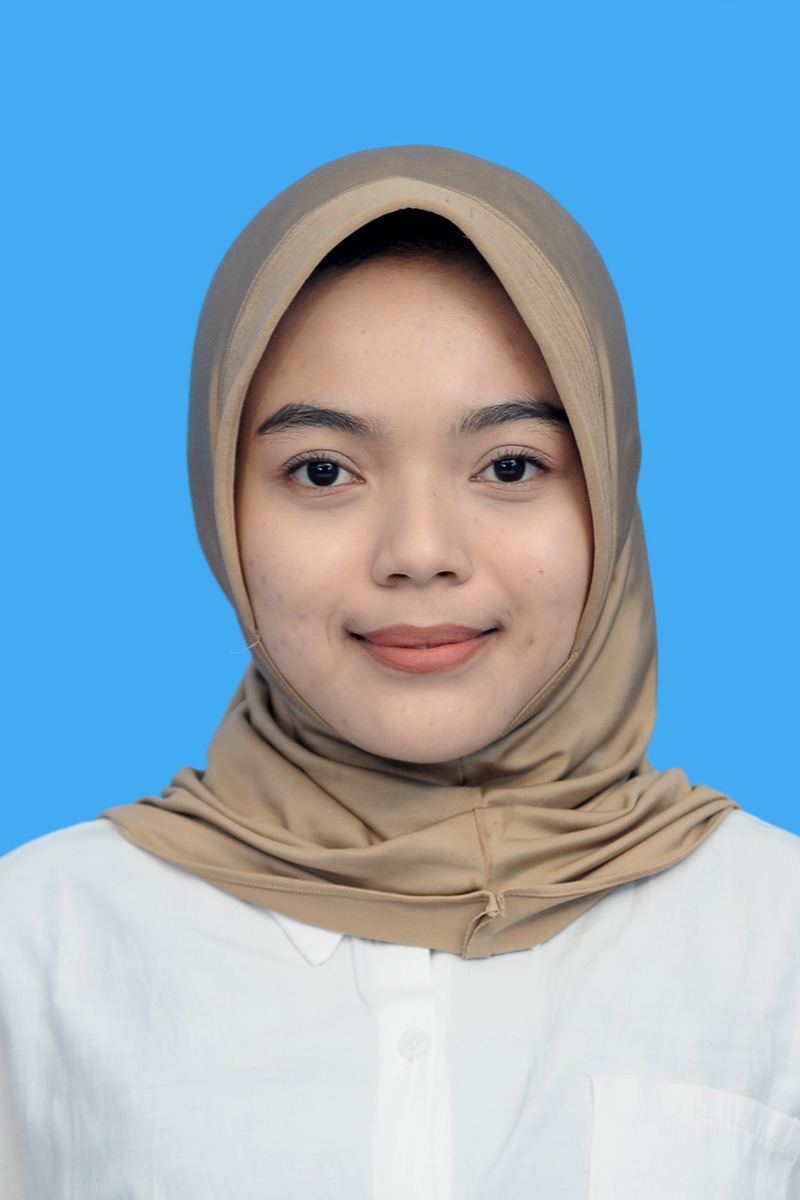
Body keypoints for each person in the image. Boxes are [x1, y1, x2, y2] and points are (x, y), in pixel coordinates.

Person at [1, 146, 798, 1199]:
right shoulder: (39, 947)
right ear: (220, 506)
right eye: (322, 471)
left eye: (509, 465)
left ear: (607, 492)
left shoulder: (775, 938)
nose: (419, 551)